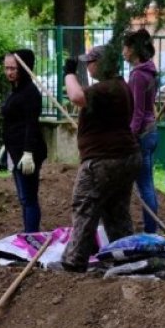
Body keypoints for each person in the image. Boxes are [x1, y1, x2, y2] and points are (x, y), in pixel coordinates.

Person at [60, 45, 141, 273]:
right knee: (115, 212)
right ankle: (124, 258)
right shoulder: (120, 86)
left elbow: (76, 96)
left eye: (91, 61)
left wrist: (68, 73)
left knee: (85, 205)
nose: (88, 65)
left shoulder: (107, 88)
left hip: (104, 160)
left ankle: (74, 260)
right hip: (125, 156)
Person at [0, 49, 48, 233]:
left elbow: (31, 124)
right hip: (15, 150)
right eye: (6, 68)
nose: (9, 72)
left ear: (24, 68)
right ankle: (29, 234)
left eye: (13, 68)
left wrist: (28, 152)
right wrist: (6, 144)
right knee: (23, 198)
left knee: (29, 198)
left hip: (27, 153)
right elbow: (13, 122)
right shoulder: (16, 90)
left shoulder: (30, 93)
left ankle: (31, 236)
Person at [122, 29, 160, 233]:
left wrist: (129, 137)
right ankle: (150, 228)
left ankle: (150, 231)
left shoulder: (138, 75)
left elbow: (136, 113)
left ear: (134, 50)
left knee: (144, 184)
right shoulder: (150, 71)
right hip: (151, 130)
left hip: (142, 134)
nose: (123, 52)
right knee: (147, 183)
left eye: (126, 47)